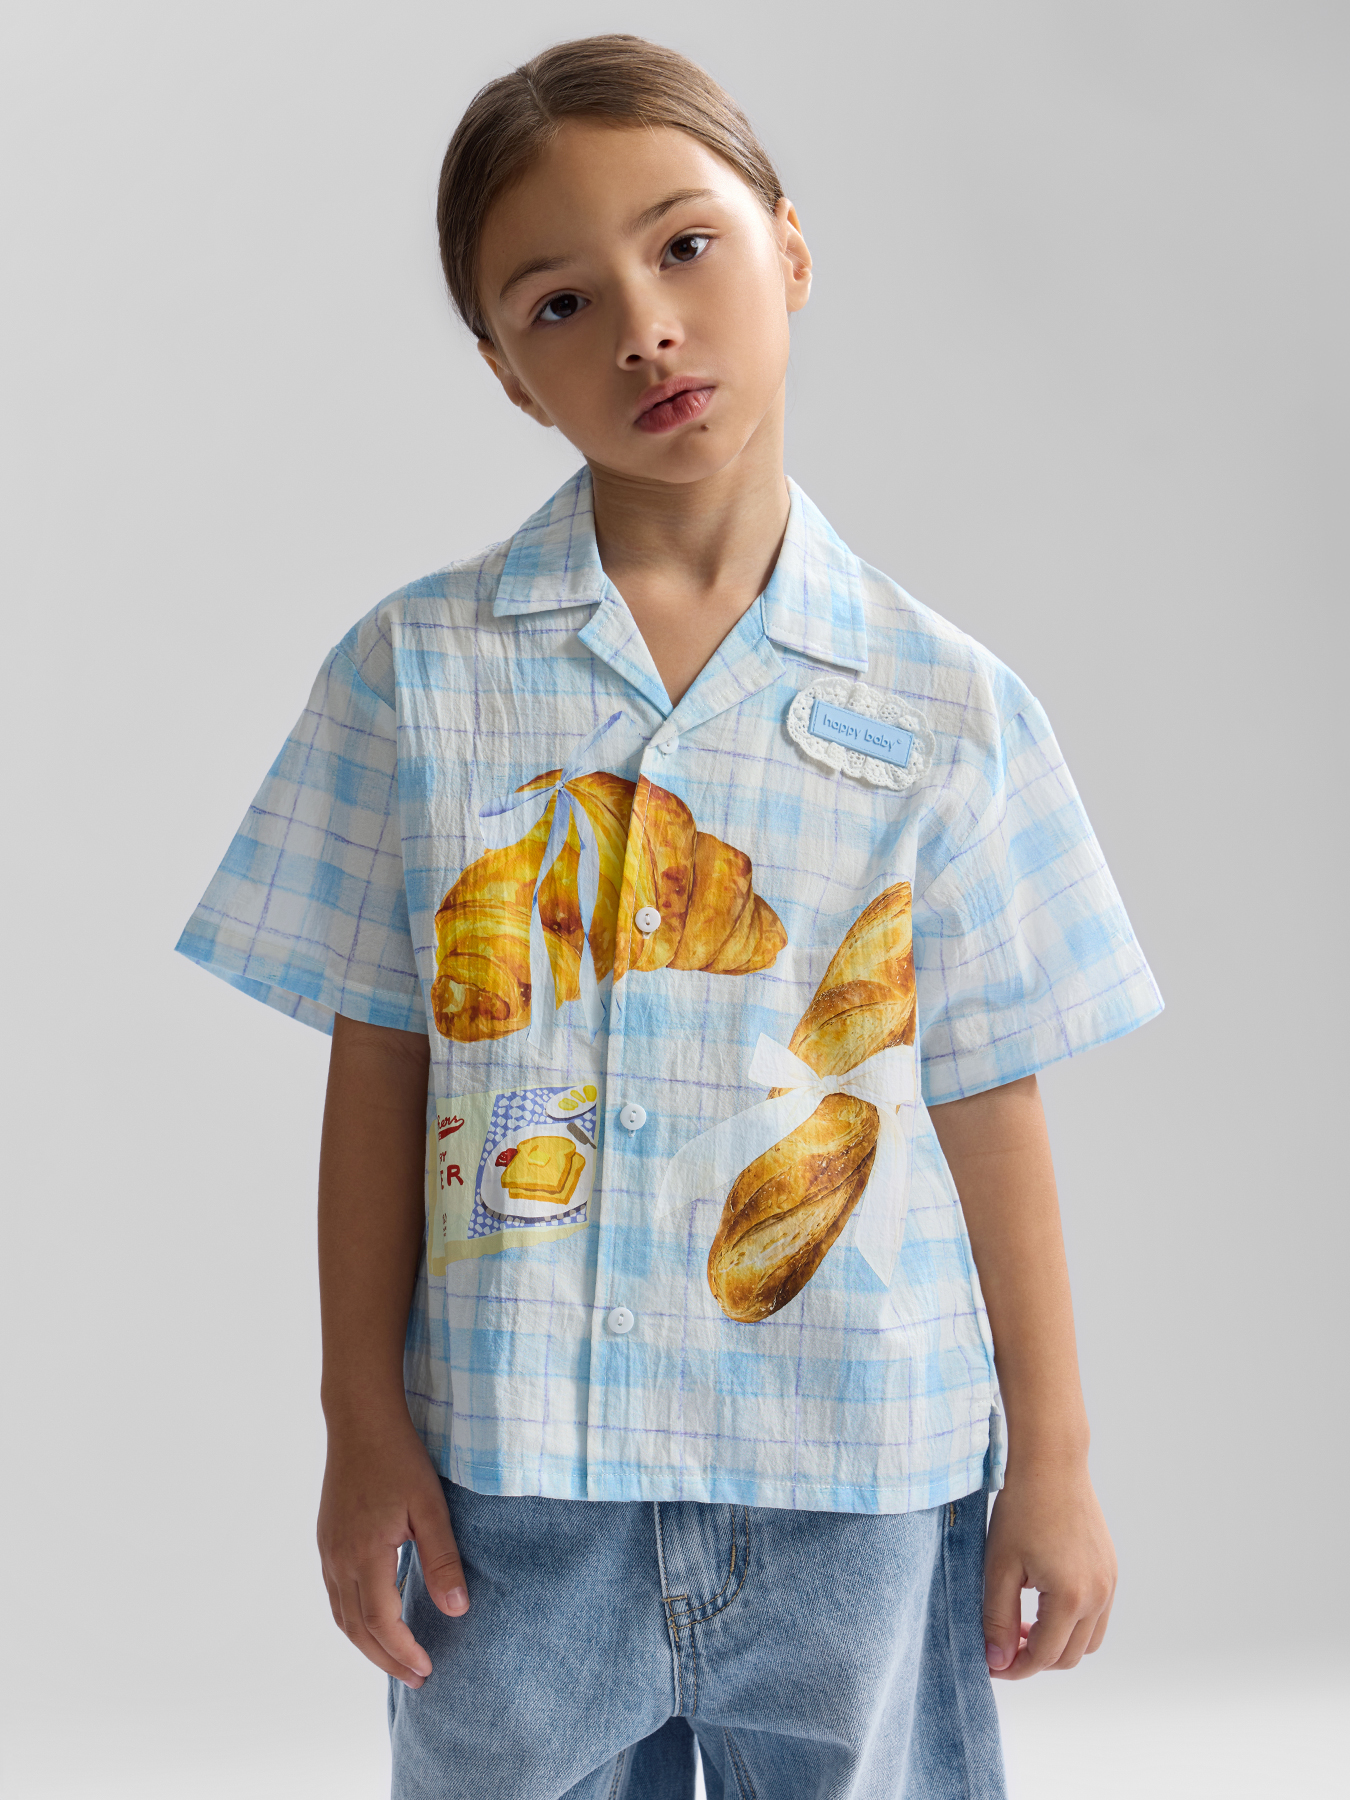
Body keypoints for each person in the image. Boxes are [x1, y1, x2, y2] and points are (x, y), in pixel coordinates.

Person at [178, 34, 1162, 1800]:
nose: (641, 326)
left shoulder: (951, 709)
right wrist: (358, 1419)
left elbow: (988, 1092)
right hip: (512, 1486)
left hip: (857, 1473)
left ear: (790, 247)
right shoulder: (413, 678)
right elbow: (381, 1066)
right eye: (560, 303)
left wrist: (1058, 1460)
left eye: (684, 246)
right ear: (507, 375)